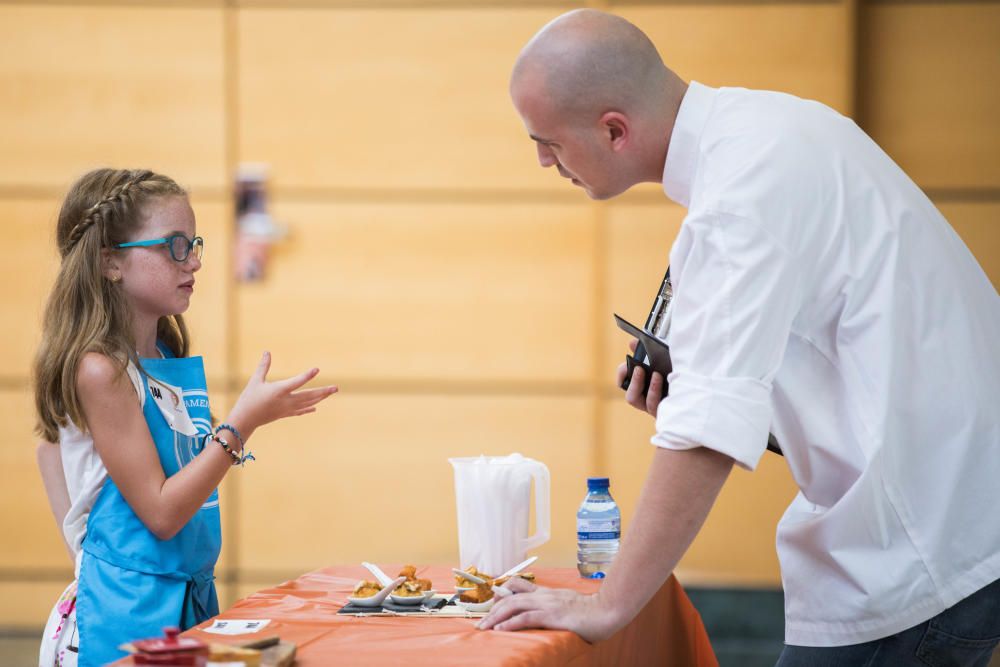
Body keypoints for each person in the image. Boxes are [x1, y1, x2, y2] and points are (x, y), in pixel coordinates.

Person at [479, 9, 1000, 665]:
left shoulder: (742, 191)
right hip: (948, 506)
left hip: (928, 536)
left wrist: (607, 603)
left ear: (614, 129)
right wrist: (697, 394)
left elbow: (709, 430)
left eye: (547, 141)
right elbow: (846, 370)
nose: (542, 161)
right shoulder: (767, 134)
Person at [33, 168, 338, 667]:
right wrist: (239, 427)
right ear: (110, 262)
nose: (193, 261)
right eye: (174, 246)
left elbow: (52, 448)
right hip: (122, 612)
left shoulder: (163, 350)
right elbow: (162, 512)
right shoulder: (98, 367)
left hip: (184, 598)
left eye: (194, 243)